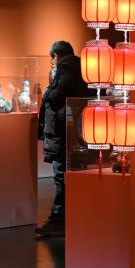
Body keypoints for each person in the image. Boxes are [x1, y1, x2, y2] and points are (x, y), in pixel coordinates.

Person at [36, 40, 91, 239]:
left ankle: (59, 221)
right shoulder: (82, 67)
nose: (52, 63)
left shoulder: (66, 69)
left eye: (52, 59)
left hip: (62, 133)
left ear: (56, 56)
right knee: (66, 177)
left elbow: (57, 95)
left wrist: (47, 91)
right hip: (74, 131)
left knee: (61, 177)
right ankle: (66, 219)